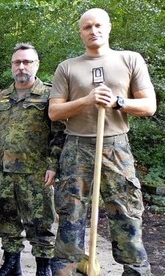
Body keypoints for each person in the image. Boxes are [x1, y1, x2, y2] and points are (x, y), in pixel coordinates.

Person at [48, 8, 156, 276]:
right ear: (80, 32)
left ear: (108, 28)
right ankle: (67, 270)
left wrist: (118, 102)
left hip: (116, 146)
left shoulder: (129, 60)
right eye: (87, 27)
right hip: (76, 147)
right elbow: (54, 112)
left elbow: (149, 105)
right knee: (70, 213)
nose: (93, 31)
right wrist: (86, 100)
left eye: (98, 25)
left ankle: (135, 270)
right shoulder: (68, 67)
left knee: (126, 211)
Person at [0, 43, 65, 276]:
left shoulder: (49, 95)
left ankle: (42, 267)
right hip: (6, 172)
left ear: (36, 65)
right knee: (7, 219)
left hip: (37, 173)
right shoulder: (2, 97)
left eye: (27, 62)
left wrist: (53, 165)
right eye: (17, 62)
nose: (21, 66)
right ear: (11, 66)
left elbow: (58, 134)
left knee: (42, 222)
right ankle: (11, 264)